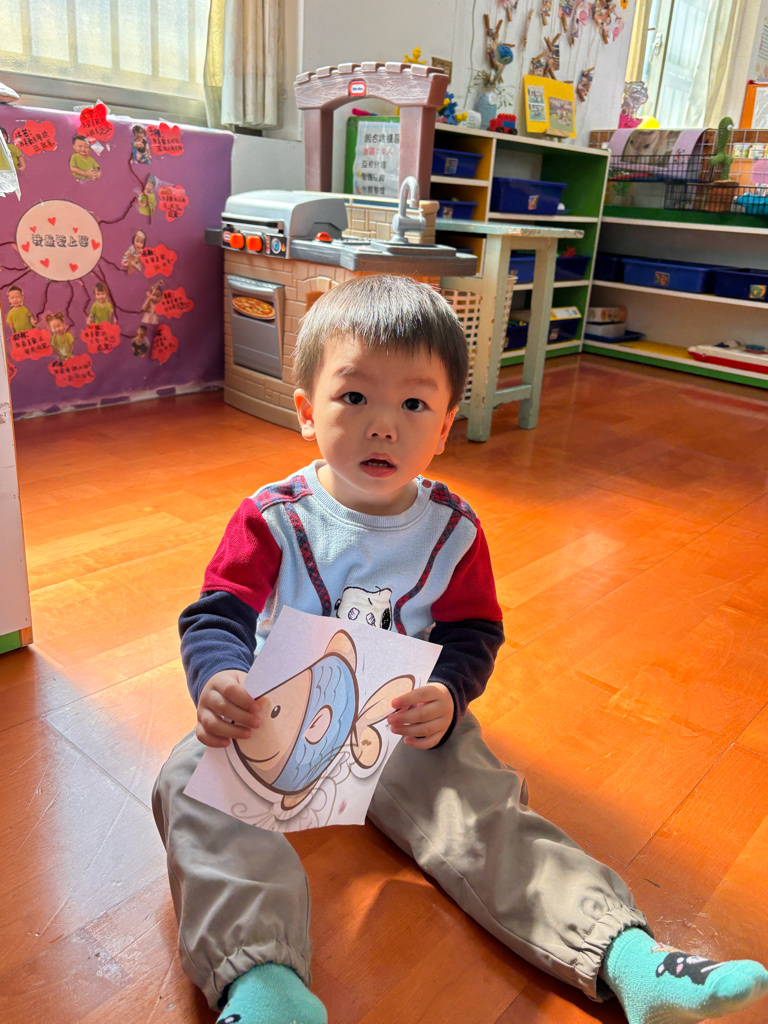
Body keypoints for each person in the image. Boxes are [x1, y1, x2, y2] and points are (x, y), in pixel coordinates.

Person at [153, 275, 768, 1024]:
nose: (384, 426)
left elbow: (472, 632)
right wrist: (220, 677)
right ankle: (263, 985)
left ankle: (628, 958)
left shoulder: (454, 531)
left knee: (485, 803)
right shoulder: (272, 517)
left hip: (398, 725)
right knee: (186, 780)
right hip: (275, 724)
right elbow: (217, 613)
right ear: (308, 412)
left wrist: (447, 695)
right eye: (355, 397)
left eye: (414, 405)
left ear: (445, 427)